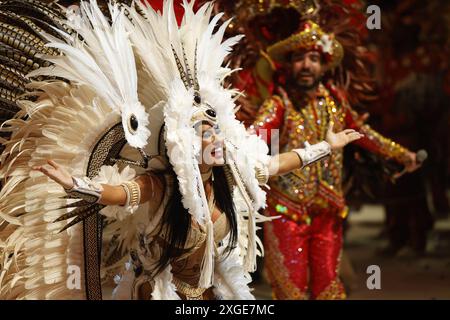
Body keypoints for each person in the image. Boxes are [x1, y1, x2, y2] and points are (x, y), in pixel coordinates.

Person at [0, 0, 361, 300]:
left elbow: (275, 164)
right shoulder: (161, 186)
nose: (216, 140)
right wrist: (75, 184)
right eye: (205, 135)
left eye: (217, 131)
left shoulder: (230, 176)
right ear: (184, 146)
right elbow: (117, 194)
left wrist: (324, 147)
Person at [250, 20, 421, 300]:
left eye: (314, 59)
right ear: (287, 65)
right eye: (300, 59)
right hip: (286, 212)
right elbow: (254, 138)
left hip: (328, 212)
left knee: (329, 289)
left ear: (324, 65)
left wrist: (403, 155)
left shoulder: (336, 104)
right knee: (289, 290)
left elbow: (364, 135)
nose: (307, 66)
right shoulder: (279, 104)